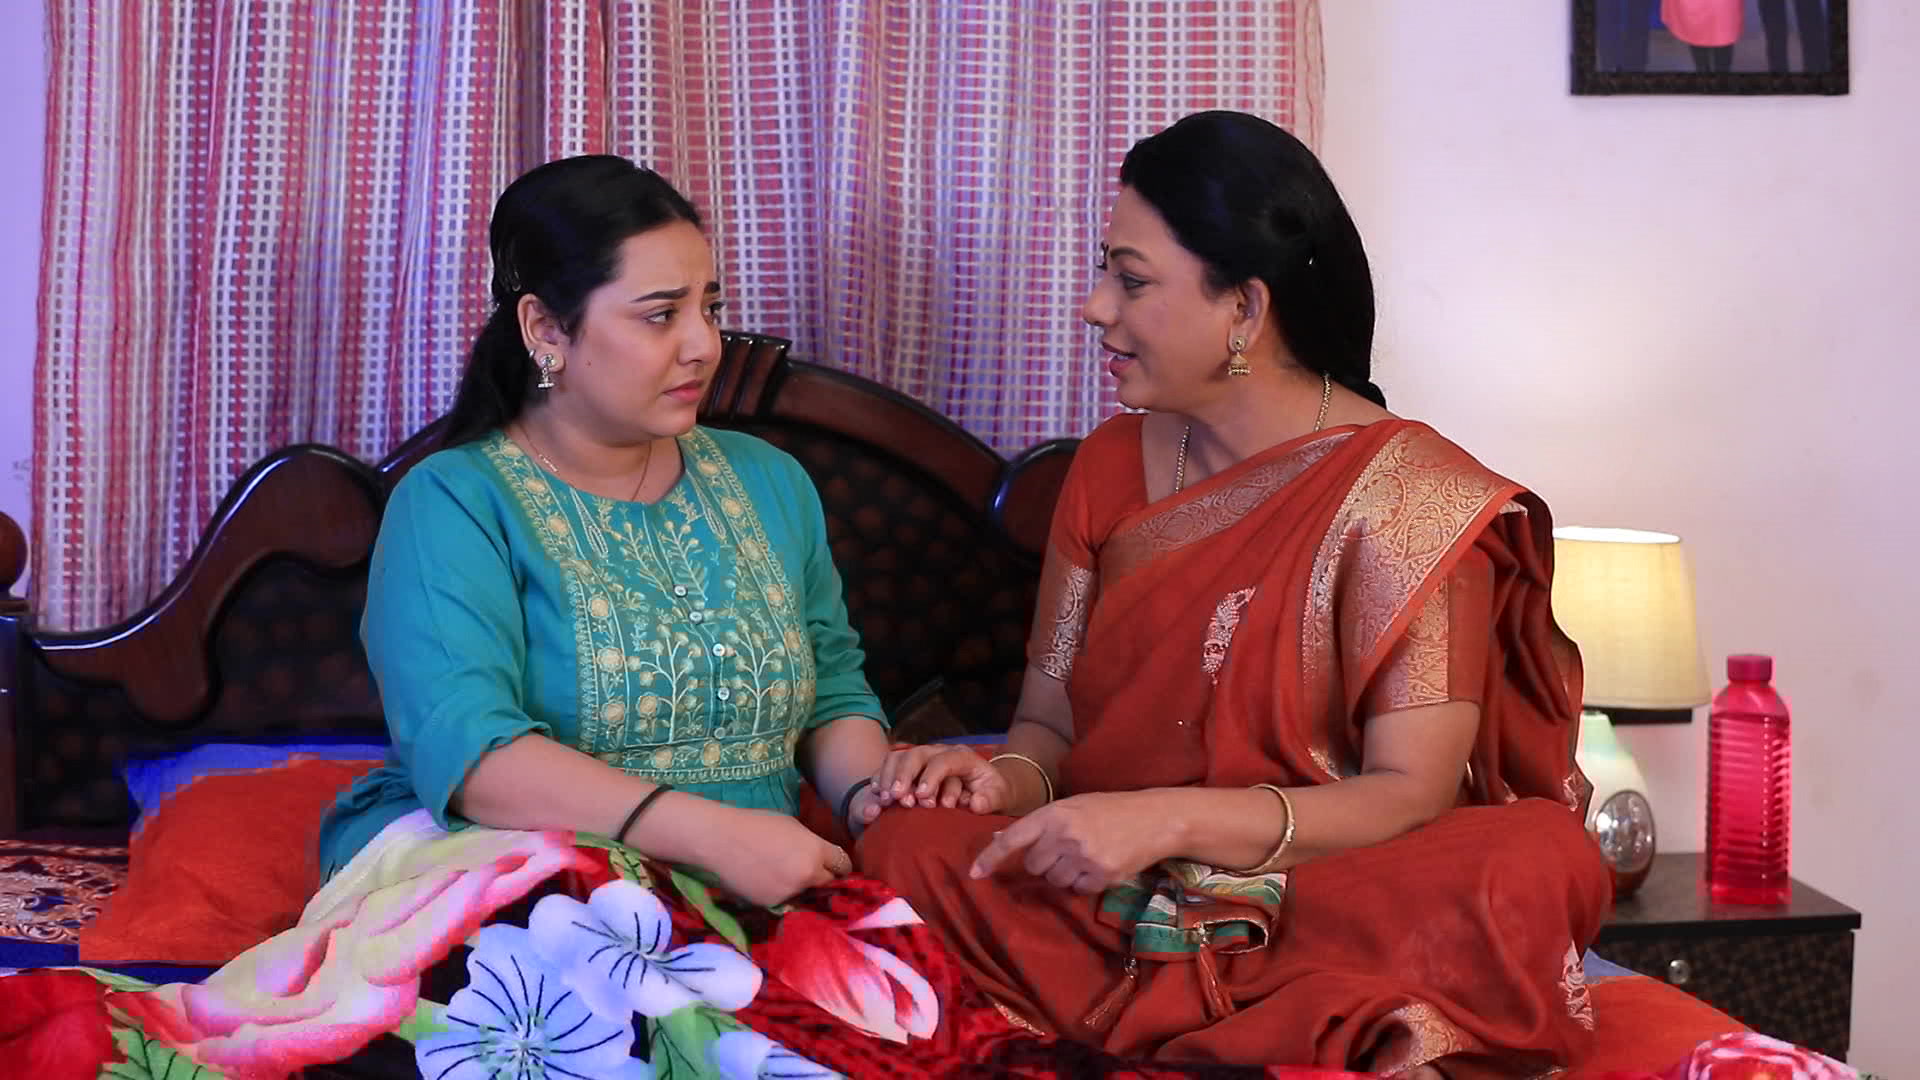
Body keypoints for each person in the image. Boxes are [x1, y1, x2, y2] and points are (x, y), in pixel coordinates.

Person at [856, 111, 1613, 1078]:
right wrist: (995, 781)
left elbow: (1409, 792)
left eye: (1131, 280)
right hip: (1111, 883)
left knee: (1532, 863)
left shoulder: (1408, 499)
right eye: (1104, 273)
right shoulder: (1108, 466)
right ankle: (1311, 1027)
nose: (1094, 307)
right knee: (907, 841)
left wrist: (1169, 820)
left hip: (1322, 884)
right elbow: (1046, 731)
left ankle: (1292, 1011)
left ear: (1246, 309)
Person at [317, 155, 895, 906]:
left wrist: (873, 797)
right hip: (519, 872)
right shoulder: (454, 503)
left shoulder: (769, 480)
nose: (704, 345)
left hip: (755, 874)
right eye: (661, 315)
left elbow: (833, 691)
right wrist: (712, 837)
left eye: (709, 308)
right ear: (546, 329)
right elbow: (471, 750)